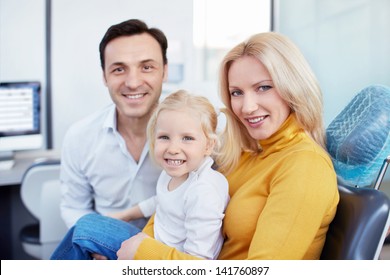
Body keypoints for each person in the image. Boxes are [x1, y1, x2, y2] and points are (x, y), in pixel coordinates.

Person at [116, 32, 340, 260]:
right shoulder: (245, 152)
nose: (247, 107)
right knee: (87, 230)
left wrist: (143, 253)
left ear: (293, 86)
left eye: (263, 88)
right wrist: (140, 244)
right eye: (237, 93)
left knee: (86, 230)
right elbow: (171, 207)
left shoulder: (305, 167)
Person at [51, 90, 229, 260]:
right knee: (86, 227)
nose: (173, 149)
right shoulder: (174, 173)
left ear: (209, 145)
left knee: (84, 229)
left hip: (156, 258)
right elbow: (161, 201)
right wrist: (124, 215)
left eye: (187, 138)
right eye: (164, 137)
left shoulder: (204, 192)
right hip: (149, 242)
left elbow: (198, 262)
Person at [59, 19, 168, 230]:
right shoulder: (79, 137)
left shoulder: (197, 134)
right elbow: (74, 207)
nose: (133, 82)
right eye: (119, 69)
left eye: (147, 67)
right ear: (104, 76)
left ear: (164, 71)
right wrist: (97, 239)